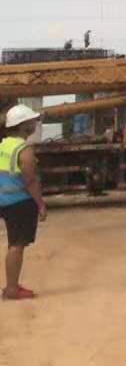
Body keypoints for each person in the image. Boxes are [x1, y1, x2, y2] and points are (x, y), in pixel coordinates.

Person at [1, 104, 47, 302]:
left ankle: (12, 285)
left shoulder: (3, 145)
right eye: (32, 120)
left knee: (14, 243)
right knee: (17, 244)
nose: (35, 123)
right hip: (19, 201)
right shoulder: (24, 149)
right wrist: (41, 204)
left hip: (4, 199)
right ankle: (12, 289)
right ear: (23, 125)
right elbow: (30, 180)